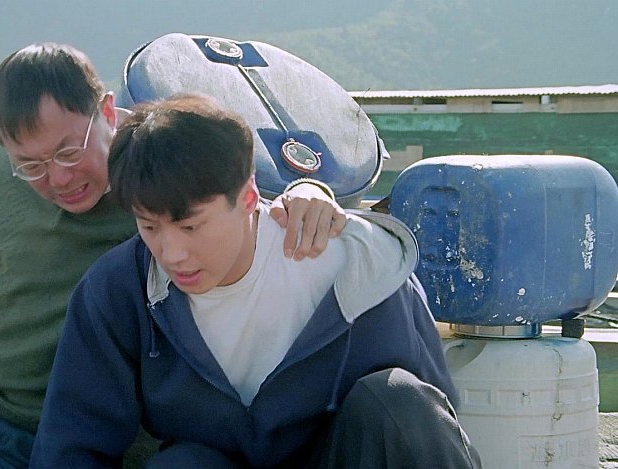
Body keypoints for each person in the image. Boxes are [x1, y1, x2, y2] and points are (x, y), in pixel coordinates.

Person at [0, 44, 345, 467]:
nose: (58, 178)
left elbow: (237, 196)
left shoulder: (156, 185)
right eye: (31, 165)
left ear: (108, 113)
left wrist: (310, 192)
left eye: (69, 151)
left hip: (65, 436)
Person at [30, 94, 481, 468]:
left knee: (397, 402)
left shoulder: (358, 267)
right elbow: (70, 444)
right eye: (149, 226)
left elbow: (431, 426)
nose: (171, 253)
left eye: (190, 226)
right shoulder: (117, 289)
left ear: (248, 197)